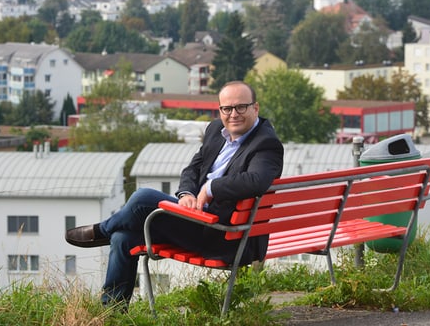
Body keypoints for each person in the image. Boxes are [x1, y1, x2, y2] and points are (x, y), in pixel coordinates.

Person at [65, 81, 284, 309]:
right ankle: (112, 312)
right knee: (122, 238)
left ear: (255, 108)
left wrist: (210, 188)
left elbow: (256, 181)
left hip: (225, 236)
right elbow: (193, 168)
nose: (233, 114)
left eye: (241, 107)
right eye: (226, 109)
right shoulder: (215, 131)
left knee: (142, 198)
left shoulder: (266, 144)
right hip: (197, 221)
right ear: (219, 110)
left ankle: (101, 231)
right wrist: (187, 193)